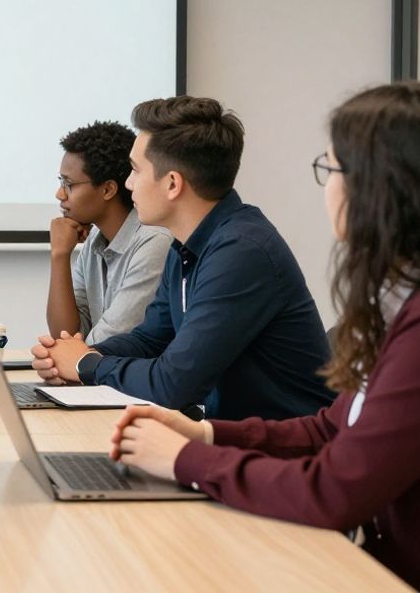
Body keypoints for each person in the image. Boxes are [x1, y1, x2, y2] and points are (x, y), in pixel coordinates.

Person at [109, 82, 420, 592]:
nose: (327, 188)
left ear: (381, 186)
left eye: (331, 168)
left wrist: (185, 460)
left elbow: (337, 491)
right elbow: (331, 429)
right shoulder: (411, 297)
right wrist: (205, 435)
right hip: (392, 567)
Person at [32, 96, 335, 420]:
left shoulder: (242, 253)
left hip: (284, 444)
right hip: (230, 434)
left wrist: (86, 364)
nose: (128, 184)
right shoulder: (187, 246)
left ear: (173, 184)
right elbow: (149, 340)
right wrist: (74, 355)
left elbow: (174, 383)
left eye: (135, 170)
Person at [46, 121, 171, 345]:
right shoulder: (95, 240)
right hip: (96, 366)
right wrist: (59, 256)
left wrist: (62, 355)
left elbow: (110, 341)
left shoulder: (154, 243)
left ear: (108, 190)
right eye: (60, 182)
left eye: (69, 184)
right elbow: (66, 335)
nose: (59, 194)